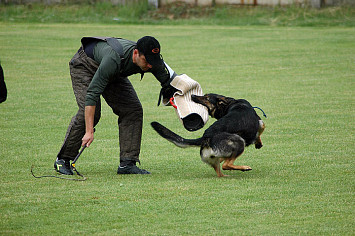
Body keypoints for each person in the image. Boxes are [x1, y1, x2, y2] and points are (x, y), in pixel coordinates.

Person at [55, 36, 177, 175]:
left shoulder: (152, 62)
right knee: (91, 114)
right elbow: (92, 95)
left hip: (114, 72)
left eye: (153, 62)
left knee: (132, 110)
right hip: (86, 65)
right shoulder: (113, 59)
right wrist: (89, 131)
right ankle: (63, 159)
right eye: (147, 61)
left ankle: (127, 163)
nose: (150, 66)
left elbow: (169, 83)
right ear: (136, 53)